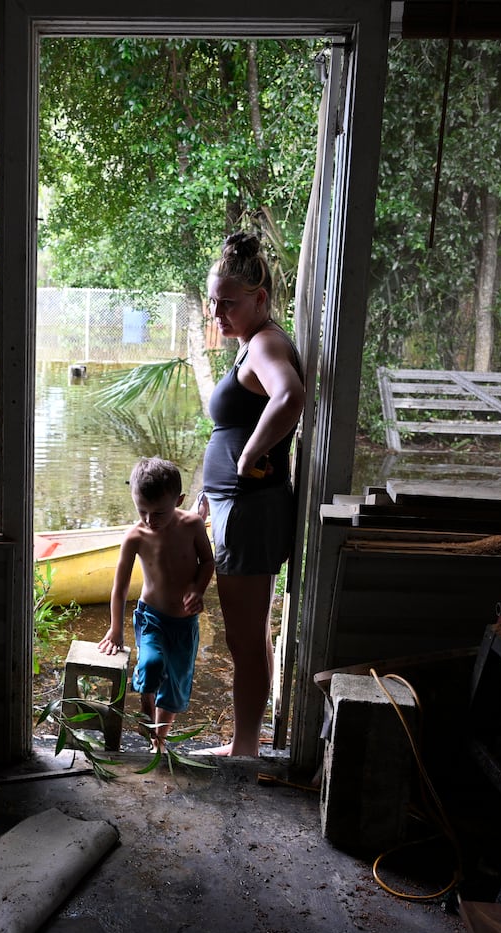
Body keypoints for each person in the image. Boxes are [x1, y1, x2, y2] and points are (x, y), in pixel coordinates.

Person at [194, 232, 306, 758]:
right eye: (214, 302)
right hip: (235, 506)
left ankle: (243, 749)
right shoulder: (251, 342)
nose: (218, 313)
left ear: (260, 299)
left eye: (229, 303)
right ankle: (246, 744)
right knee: (251, 630)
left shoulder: (264, 343)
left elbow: (289, 397)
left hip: (248, 508)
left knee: (243, 637)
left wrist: (244, 458)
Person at [98, 457, 215, 751]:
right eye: (142, 511)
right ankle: (146, 707)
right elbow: (120, 586)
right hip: (151, 618)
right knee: (150, 665)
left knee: (175, 685)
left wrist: (197, 589)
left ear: (179, 500)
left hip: (184, 623)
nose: (150, 520)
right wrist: (116, 629)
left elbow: (208, 561)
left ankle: (158, 739)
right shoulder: (135, 536)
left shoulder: (192, 524)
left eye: (159, 512)